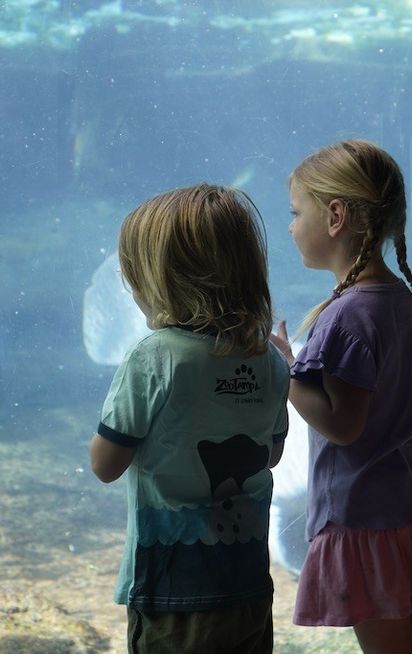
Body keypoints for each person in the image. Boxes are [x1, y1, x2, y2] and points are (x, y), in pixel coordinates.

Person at [269, 139, 412, 654]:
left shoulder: (345, 315)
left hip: (366, 521)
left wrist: (286, 371)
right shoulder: (401, 301)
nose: (291, 227)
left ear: (336, 215)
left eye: (297, 213)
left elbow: (343, 425)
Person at [89, 184, 290, 653]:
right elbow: (272, 454)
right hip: (247, 585)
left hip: (173, 589)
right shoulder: (271, 360)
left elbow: (105, 465)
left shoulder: (155, 357)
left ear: (159, 280)